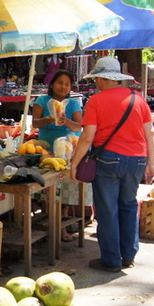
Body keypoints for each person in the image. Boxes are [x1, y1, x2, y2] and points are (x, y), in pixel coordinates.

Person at [70, 57, 154, 273]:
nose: (95, 83)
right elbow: (149, 134)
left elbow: (87, 137)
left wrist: (75, 163)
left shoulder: (96, 101)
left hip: (109, 159)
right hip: (137, 159)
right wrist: (151, 163)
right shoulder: (138, 98)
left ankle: (111, 260)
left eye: (95, 79)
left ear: (101, 78)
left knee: (108, 210)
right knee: (128, 205)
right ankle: (128, 255)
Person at [31, 70, 87, 241]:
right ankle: (50, 223)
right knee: (47, 188)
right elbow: (34, 123)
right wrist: (46, 120)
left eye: (67, 84)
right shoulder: (42, 100)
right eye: (60, 83)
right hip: (47, 152)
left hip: (68, 151)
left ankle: (61, 227)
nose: (63, 86)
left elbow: (78, 127)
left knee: (66, 190)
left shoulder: (73, 104)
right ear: (52, 84)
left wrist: (65, 120)